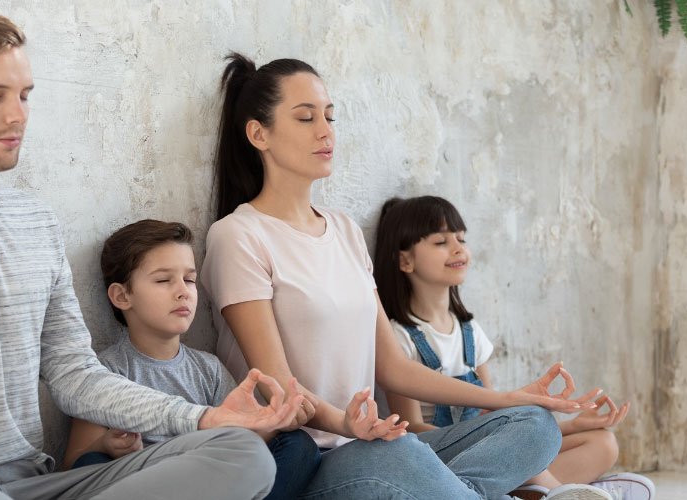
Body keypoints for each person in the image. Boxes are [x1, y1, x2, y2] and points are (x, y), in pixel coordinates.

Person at [0, 8, 303, 500]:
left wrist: (203, 416)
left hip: (36, 483)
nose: (18, 114)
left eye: (24, 95)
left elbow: (74, 374)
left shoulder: (36, 224)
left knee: (239, 451)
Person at [200, 52, 605, 500]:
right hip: (312, 460)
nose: (325, 131)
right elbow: (278, 391)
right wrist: (349, 426)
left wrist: (511, 398)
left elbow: (392, 367)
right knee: (396, 455)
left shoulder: (345, 230)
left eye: (330, 117)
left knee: (535, 427)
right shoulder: (238, 236)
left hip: (373, 446)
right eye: (305, 118)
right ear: (259, 134)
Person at [373, 195, 656, 500]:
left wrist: (573, 425)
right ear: (405, 260)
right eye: (440, 242)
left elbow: (487, 413)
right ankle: (567, 493)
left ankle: (545, 494)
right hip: (441, 460)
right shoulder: (399, 338)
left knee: (602, 443)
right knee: (522, 453)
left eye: (461, 239)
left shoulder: (471, 333)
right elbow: (411, 431)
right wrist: (496, 440)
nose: (458, 248)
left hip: (486, 449)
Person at [63, 219, 322, 500]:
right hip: (144, 486)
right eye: (163, 280)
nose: (183, 291)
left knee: (299, 445)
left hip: (207, 485)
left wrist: (274, 423)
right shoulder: (105, 371)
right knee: (89, 465)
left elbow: (241, 443)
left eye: (189, 279)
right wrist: (107, 445)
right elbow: (74, 467)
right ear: (122, 296)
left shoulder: (207, 368)